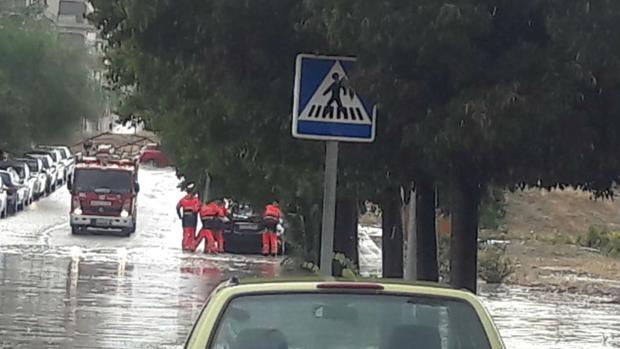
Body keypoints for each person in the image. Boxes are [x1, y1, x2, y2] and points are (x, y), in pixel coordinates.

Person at [176, 186, 201, 251]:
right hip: (193, 216)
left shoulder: (183, 199)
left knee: (185, 231)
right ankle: (191, 246)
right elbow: (197, 208)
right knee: (192, 232)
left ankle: (185, 246)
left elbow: (177, 207)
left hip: (185, 216)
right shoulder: (196, 200)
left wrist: (179, 215)